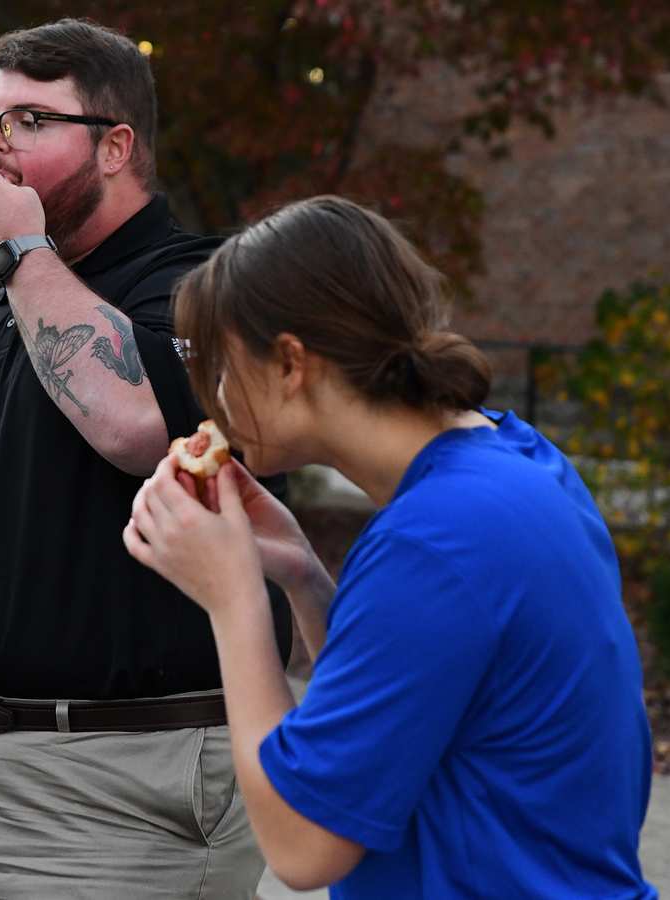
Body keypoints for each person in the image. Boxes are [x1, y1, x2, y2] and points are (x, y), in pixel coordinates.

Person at [0, 19, 290, 897]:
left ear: (115, 147)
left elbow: (136, 429)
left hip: (120, 783)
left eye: (31, 121)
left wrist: (21, 254)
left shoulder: (207, 287)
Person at [125, 195, 657, 898]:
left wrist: (232, 600)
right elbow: (406, 697)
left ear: (289, 362)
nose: (215, 397)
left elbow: (302, 844)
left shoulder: (435, 540)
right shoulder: (512, 458)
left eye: (223, 366)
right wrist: (301, 574)